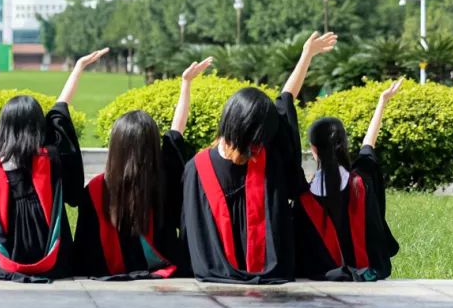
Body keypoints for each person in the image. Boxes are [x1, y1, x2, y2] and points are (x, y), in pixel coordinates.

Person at [182, 32, 337, 284]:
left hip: (243, 271)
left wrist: (306, 55)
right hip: (239, 271)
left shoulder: (266, 155)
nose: (259, 145)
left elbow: (285, 102)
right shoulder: (198, 169)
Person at [0, 48, 108, 282]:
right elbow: (58, 115)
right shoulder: (53, 160)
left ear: (3, 126)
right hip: (55, 262)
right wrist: (78, 68)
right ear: (38, 127)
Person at [74, 57, 214, 279]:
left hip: (106, 268)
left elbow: (84, 245)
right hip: (163, 265)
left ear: (116, 145)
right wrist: (185, 83)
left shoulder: (95, 189)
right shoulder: (164, 180)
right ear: (152, 144)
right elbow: (176, 131)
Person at [294, 79, 402, 281]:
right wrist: (382, 101)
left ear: (313, 149)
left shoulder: (304, 198)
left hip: (321, 274)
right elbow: (368, 145)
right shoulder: (361, 181)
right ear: (343, 144)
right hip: (368, 269)